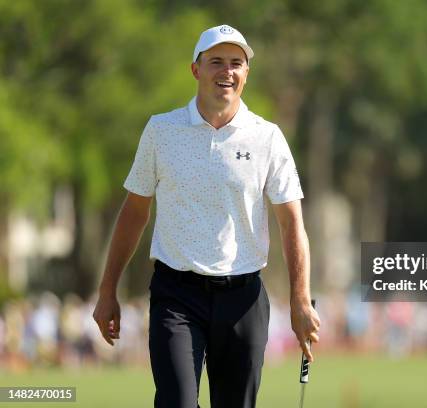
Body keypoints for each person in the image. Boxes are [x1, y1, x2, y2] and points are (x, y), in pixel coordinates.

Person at [92, 24, 320, 408]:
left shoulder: (267, 138)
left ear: (247, 73)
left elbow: (291, 223)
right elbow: (134, 212)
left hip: (243, 297)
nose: (226, 71)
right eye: (216, 61)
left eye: (236, 63)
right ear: (196, 70)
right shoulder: (161, 131)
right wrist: (106, 289)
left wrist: (301, 298)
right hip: (176, 293)